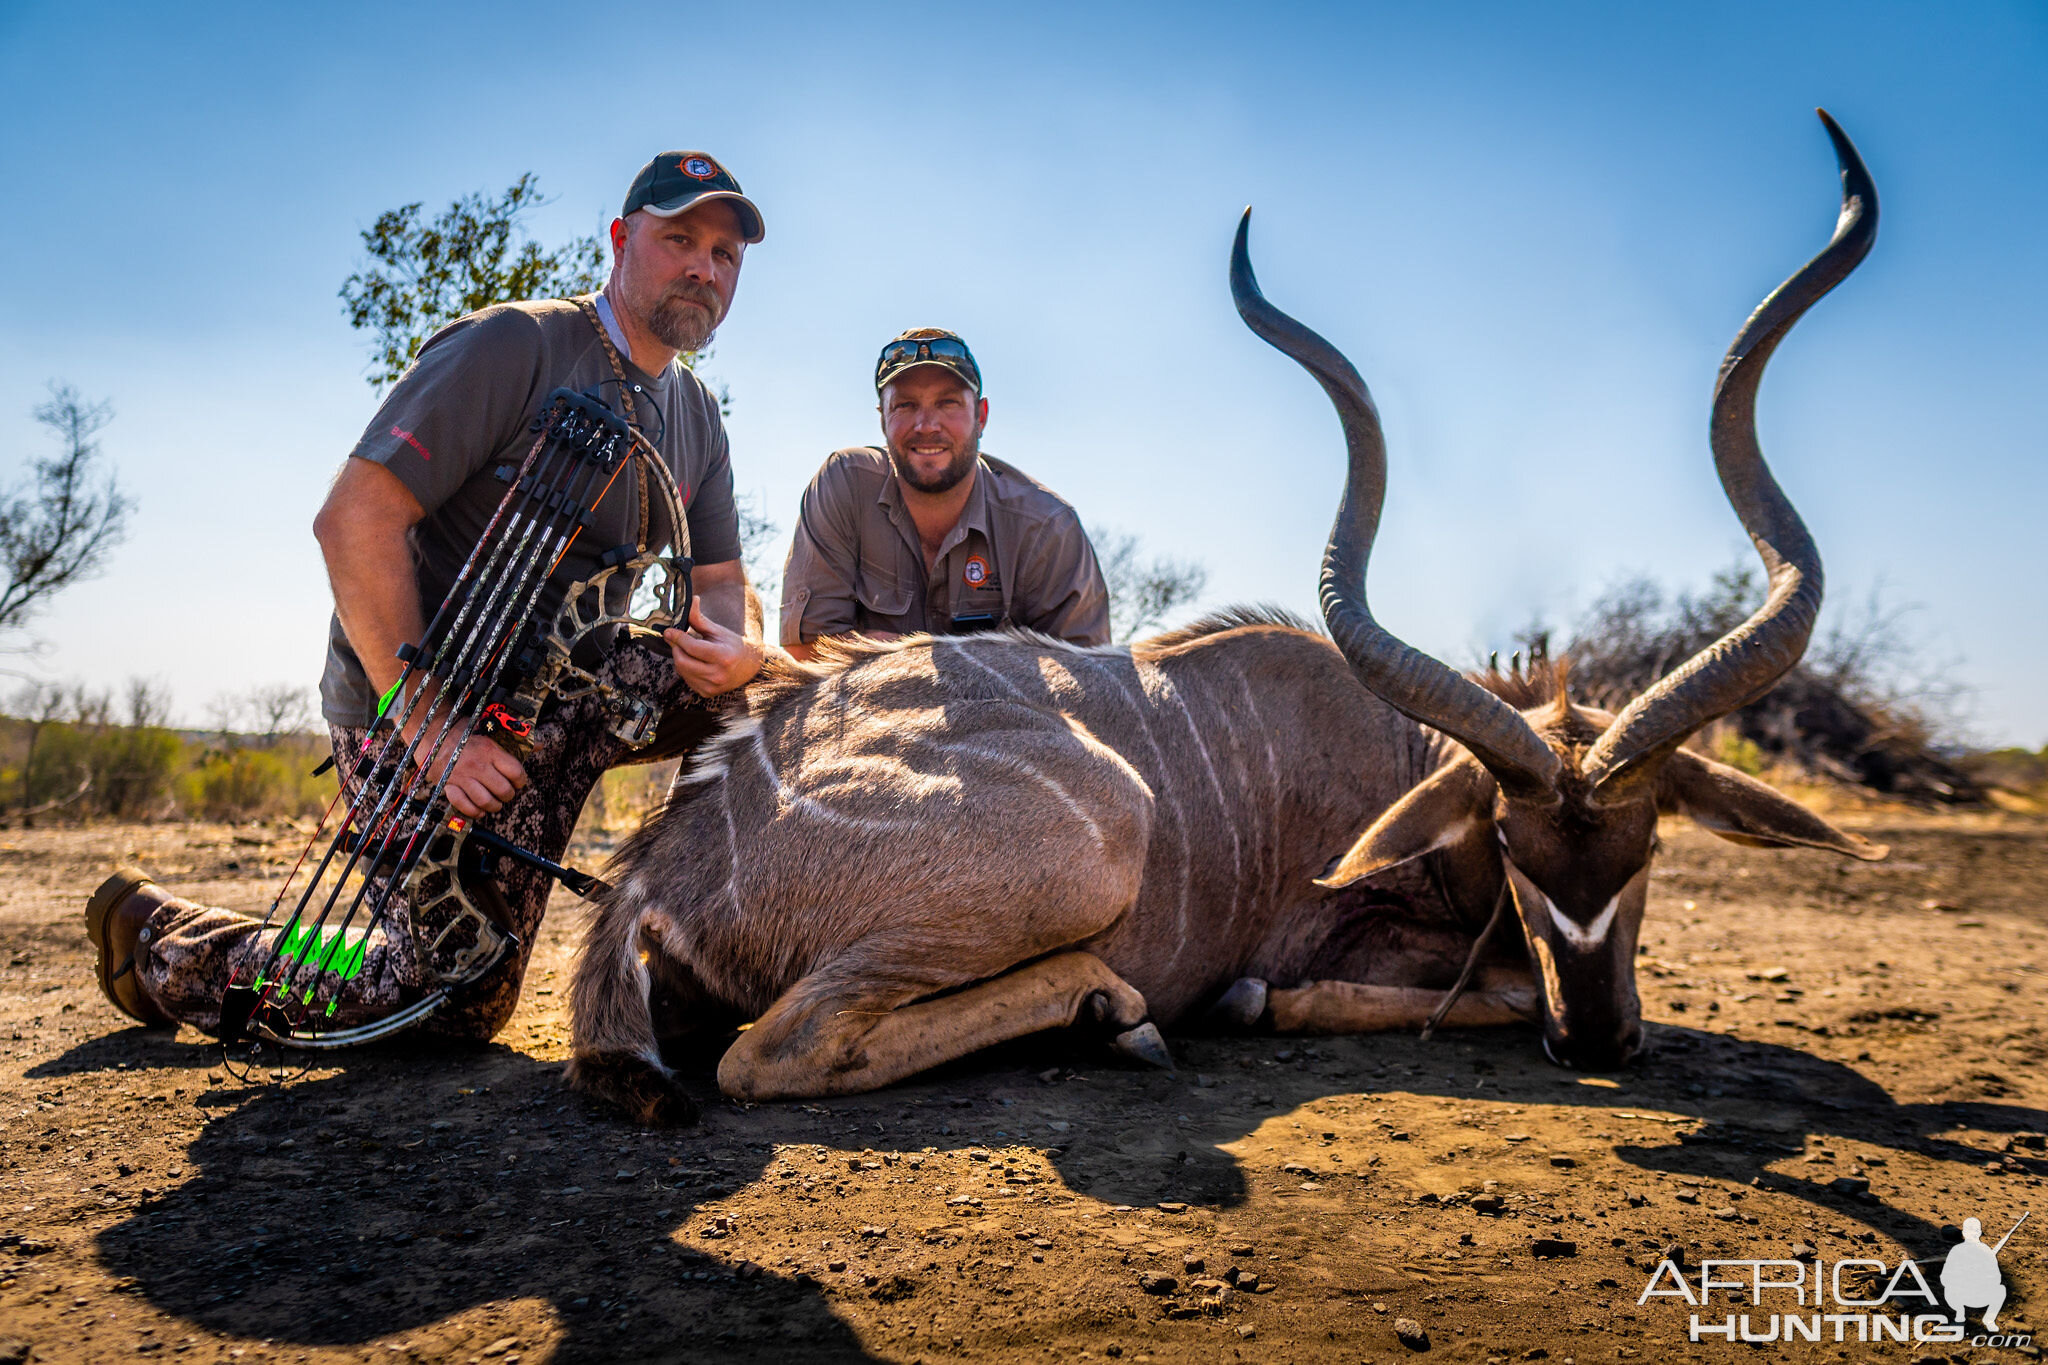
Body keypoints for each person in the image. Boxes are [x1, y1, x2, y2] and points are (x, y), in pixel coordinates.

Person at [85, 150, 770, 1042]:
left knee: (757, 699)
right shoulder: (515, 343)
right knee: (450, 993)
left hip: (563, 695)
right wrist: (434, 730)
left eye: (725, 255)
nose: (702, 268)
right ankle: (169, 946)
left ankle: (688, 952)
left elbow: (719, 583)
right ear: (620, 239)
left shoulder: (697, 414)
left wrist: (738, 643)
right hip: (411, 712)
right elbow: (353, 519)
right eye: (680, 238)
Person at [779, 328, 1111, 658]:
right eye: (905, 405)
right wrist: (981, 667)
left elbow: (1090, 686)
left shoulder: (1048, 526)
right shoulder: (843, 484)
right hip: (863, 712)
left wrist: (889, 654)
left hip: (1008, 713)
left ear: (981, 417)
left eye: (948, 403)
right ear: (883, 418)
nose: (926, 425)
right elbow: (805, 651)